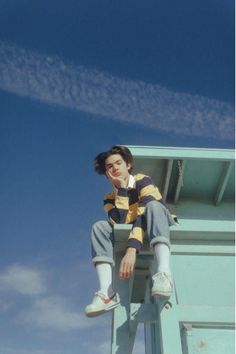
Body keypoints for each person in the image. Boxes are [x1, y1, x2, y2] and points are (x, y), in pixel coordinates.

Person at [85, 145, 177, 317]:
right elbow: (119, 221)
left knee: (153, 206)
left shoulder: (143, 180)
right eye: (109, 166)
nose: (114, 168)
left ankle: (164, 273)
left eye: (118, 163)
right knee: (99, 227)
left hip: (158, 224)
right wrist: (121, 190)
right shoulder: (109, 198)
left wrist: (131, 249)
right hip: (135, 229)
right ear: (106, 173)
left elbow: (143, 213)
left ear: (127, 165)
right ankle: (107, 292)